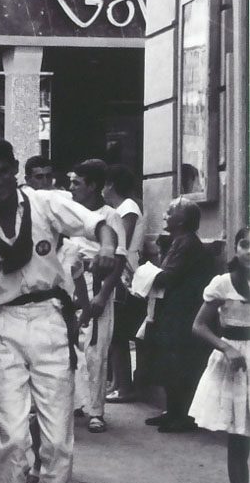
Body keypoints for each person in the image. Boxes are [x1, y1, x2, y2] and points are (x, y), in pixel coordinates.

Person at [0, 138, 118, 483]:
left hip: (48, 317)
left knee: (57, 440)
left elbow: (101, 224)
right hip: (2, 323)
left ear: (15, 169)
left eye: (3, 171)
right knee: (12, 437)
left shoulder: (46, 203)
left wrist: (108, 248)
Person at [188, 226, 250, 483]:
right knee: (239, 440)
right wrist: (226, 347)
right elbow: (199, 326)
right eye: (245, 244)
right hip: (234, 366)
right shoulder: (222, 283)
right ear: (236, 249)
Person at [144, 198, 217, 433]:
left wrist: (146, 274)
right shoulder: (179, 241)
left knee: (180, 363)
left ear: (181, 220)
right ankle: (173, 411)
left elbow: (168, 276)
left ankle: (182, 415)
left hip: (184, 311)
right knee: (170, 362)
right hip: (175, 309)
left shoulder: (186, 243)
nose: (164, 216)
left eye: (169, 212)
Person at [67, 160, 126, 434]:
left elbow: (119, 258)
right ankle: (77, 403)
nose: (71, 187)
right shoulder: (71, 212)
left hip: (96, 284)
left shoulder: (110, 216)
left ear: (92, 186)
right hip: (69, 284)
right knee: (71, 348)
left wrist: (103, 295)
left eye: (77, 183)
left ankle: (96, 411)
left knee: (95, 351)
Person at [103, 164, 145, 403]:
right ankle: (117, 383)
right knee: (114, 332)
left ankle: (124, 387)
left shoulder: (128, 207)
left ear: (111, 184)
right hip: (119, 272)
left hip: (126, 273)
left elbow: (122, 240)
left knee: (118, 333)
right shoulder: (118, 208)